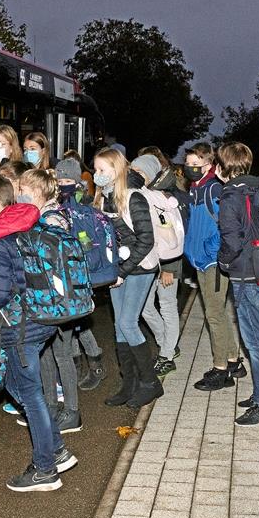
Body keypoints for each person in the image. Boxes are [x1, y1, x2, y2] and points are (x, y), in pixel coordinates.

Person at [0, 175, 76, 491]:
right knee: (16, 385)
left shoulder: (0, 240)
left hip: (20, 327)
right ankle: (56, 449)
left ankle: (45, 470)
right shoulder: (31, 229)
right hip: (44, 320)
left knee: (30, 395)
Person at [216, 141, 259, 427]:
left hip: (246, 274)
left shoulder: (230, 197)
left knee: (254, 340)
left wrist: (223, 262)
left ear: (221, 168)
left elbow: (230, 240)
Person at [93, 147, 163, 409]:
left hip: (141, 267)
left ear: (117, 170)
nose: (97, 175)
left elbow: (146, 240)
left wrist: (123, 271)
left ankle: (150, 383)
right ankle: (129, 383)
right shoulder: (103, 199)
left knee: (128, 322)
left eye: (102, 170)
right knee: (119, 327)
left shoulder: (134, 198)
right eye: (96, 170)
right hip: (119, 269)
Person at [19, 168, 82, 433]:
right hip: (43, 299)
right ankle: (50, 405)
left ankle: (73, 411)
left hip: (59, 299)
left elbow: (57, 264)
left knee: (62, 354)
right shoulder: (38, 216)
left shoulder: (53, 219)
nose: (19, 195)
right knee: (44, 354)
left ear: (37, 192)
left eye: (23, 190)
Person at [182, 141, 244, 392]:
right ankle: (232, 360)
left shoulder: (213, 189)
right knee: (216, 312)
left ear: (210, 164)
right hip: (201, 260)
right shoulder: (196, 189)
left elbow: (226, 225)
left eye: (196, 165)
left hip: (214, 262)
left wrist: (211, 252)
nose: (190, 169)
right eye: (187, 165)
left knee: (214, 314)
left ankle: (221, 370)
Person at [131, 153, 184, 378]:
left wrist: (169, 267)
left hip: (167, 263)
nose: (134, 175)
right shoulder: (142, 195)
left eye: (139, 172)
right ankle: (168, 344)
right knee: (143, 307)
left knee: (167, 306)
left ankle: (167, 356)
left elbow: (172, 236)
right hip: (150, 262)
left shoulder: (161, 199)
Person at [54, 157, 105, 389]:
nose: (63, 183)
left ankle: (96, 364)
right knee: (69, 322)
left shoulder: (84, 205)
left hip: (80, 268)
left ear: (76, 181)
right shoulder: (56, 203)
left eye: (67, 179)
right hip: (62, 267)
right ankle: (74, 367)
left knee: (80, 321)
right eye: (60, 179)